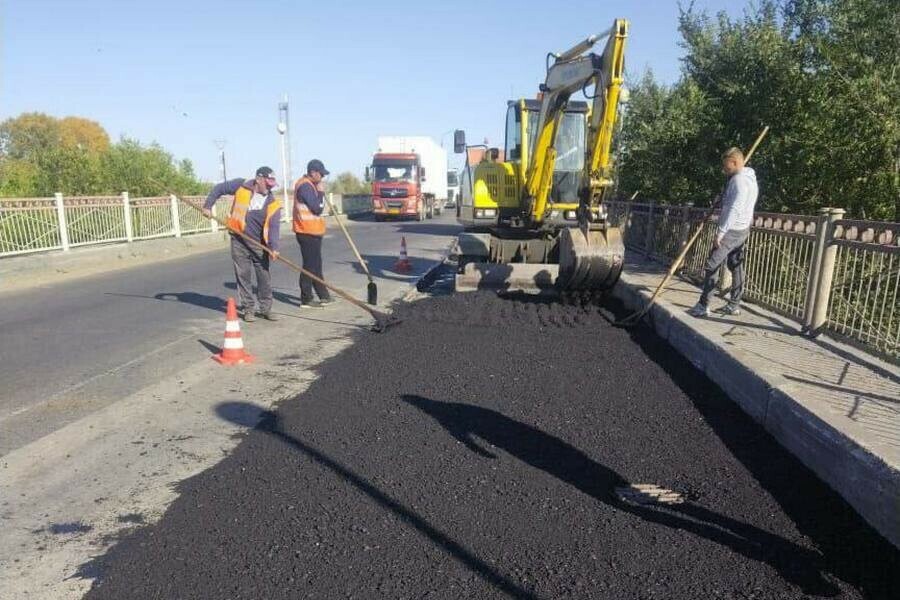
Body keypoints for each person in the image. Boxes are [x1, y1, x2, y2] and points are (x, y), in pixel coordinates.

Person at [202, 166, 282, 322]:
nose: (270, 187)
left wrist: (274, 248)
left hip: (259, 245)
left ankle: (266, 308)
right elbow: (219, 189)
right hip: (238, 239)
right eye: (268, 183)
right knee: (243, 275)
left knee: (263, 277)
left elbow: (274, 228)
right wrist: (207, 205)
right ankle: (248, 309)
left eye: (272, 184)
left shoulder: (273, 203)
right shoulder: (241, 186)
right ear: (258, 179)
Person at [689, 147, 759, 318]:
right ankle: (734, 305)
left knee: (712, 264)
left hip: (732, 230)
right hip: (743, 228)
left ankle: (703, 305)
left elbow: (735, 208)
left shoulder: (738, 181)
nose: (724, 170)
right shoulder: (750, 177)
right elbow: (745, 202)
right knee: (735, 263)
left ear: (735, 162)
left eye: (726, 166)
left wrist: (721, 232)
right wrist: (724, 198)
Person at [293, 159, 333, 308]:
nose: (322, 177)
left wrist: (319, 190)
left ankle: (324, 295)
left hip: (314, 231)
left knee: (316, 264)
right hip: (306, 231)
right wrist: (321, 193)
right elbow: (317, 208)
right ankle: (306, 298)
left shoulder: (311, 185)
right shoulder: (305, 187)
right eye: (321, 174)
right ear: (313, 172)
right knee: (309, 265)